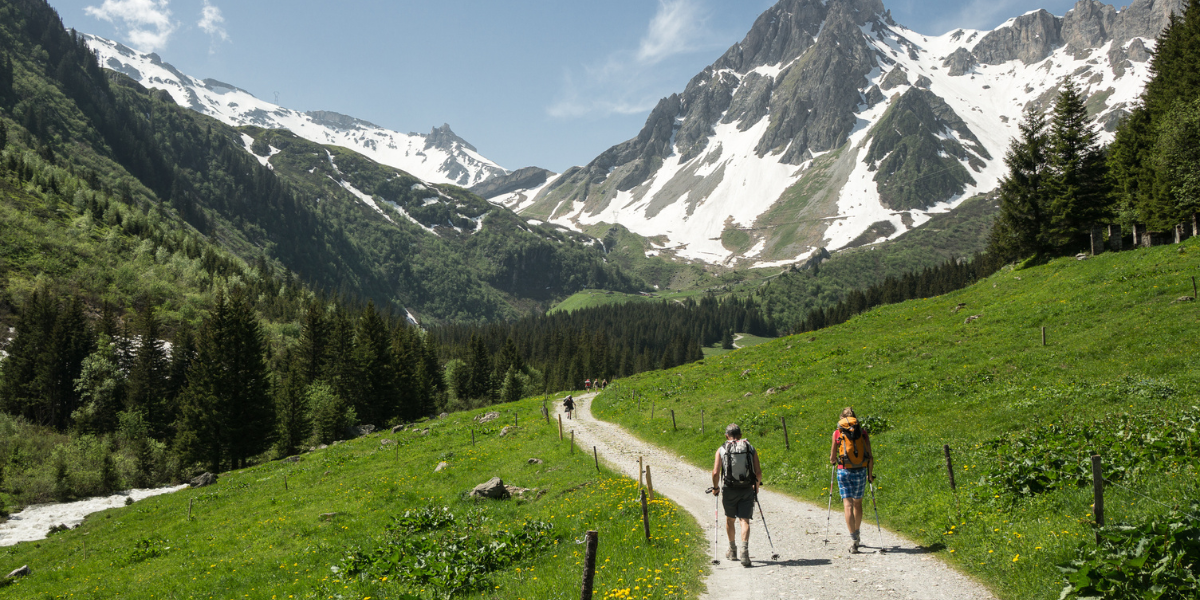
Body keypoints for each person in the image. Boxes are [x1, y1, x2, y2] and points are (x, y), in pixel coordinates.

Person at [711, 423, 762, 567]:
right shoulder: (749, 448)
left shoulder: (721, 449)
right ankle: (745, 551)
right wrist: (755, 487)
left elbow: (715, 472)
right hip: (746, 488)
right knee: (744, 520)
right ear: (740, 435)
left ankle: (733, 550)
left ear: (727, 436)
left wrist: (715, 488)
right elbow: (758, 472)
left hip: (729, 489)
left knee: (730, 519)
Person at [829, 407, 875, 553]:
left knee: (847, 505)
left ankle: (853, 539)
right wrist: (870, 474)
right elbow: (870, 456)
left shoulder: (837, 433)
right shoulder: (862, 433)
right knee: (858, 504)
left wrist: (833, 461)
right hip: (860, 470)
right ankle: (858, 532)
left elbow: (832, 458)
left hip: (843, 471)